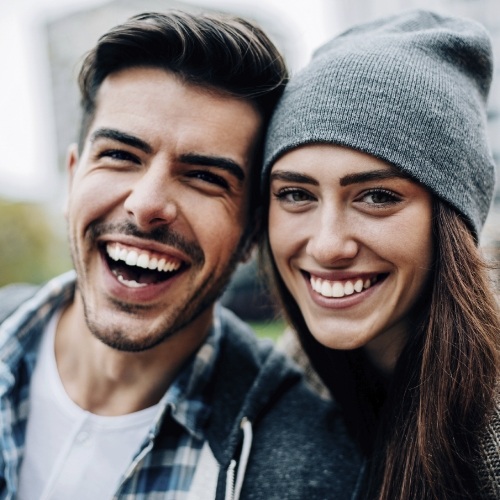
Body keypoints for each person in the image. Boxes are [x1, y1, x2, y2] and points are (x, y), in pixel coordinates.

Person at [0, 10, 363, 500]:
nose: (147, 205)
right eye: (121, 155)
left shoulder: (311, 470)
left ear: (253, 231)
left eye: (204, 177)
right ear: (72, 176)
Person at [262, 9, 500, 500]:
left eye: (376, 196)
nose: (328, 245)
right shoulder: (283, 386)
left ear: (452, 220)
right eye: (295, 194)